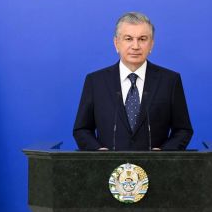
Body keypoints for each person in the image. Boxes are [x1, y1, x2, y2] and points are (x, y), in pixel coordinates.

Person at [73, 12, 193, 151]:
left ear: (151, 44)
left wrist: (164, 153)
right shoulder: (96, 81)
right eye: (128, 39)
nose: (135, 46)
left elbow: (183, 130)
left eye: (142, 39)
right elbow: (81, 129)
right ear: (116, 43)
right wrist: (98, 152)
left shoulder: (170, 81)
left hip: (156, 168)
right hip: (108, 168)